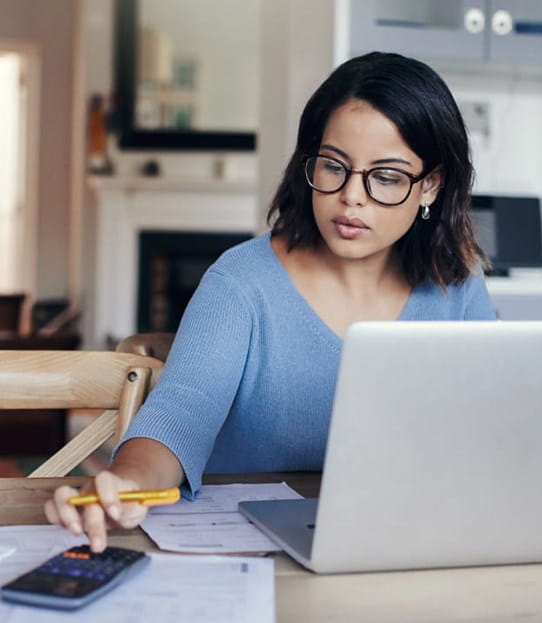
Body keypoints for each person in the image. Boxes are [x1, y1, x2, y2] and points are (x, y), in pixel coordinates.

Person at [45, 51, 495, 551]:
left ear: (430, 185)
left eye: (386, 177)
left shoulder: (458, 284)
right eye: (334, 167)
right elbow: (180, 415)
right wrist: (126, 483)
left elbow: (489, 433)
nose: (352, 197)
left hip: (402, 544)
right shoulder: (240, 283)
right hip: (248, 552)